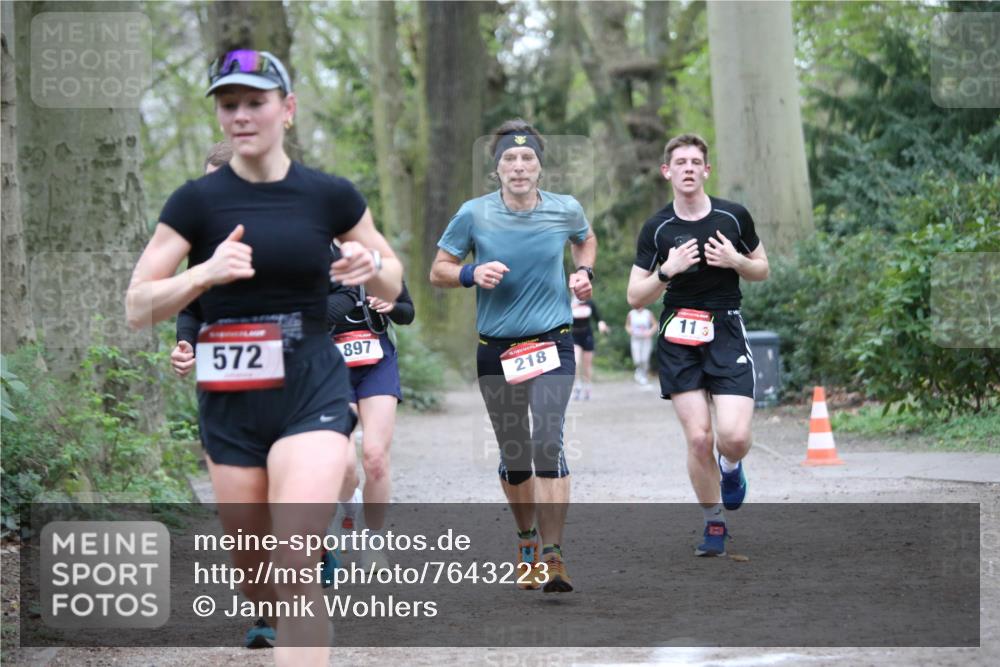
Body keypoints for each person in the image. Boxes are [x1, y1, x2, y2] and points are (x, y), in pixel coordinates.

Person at [125, 49, 402, 665]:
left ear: (288, 109)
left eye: (256, 101)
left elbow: (393, 280)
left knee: (296, 561)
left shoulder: (329, 196)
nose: (242, 114)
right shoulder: (194, 203)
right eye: (230, 104)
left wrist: (373, 267)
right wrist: (203, 275)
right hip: (230, 404)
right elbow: (139, 305)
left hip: (312, 392)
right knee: (258, 571)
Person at [429, 119, 597, 593]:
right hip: (496, 349)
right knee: (515, 453)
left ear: (540, 167)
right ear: (497, 168)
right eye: (509, 159)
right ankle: (525, 540)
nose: (518, 166)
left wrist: (584, 272)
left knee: (548, 442)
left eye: (527, 159)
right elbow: (438, 269)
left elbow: (585, 238)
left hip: (552, 343)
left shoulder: (564, 209)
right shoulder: (473, 214)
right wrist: (471, 274)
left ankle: (554, 554)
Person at [626, 133, 768, 557]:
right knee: (699, 439)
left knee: (734, 437)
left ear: (706, 170)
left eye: (695, 162)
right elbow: (635, 296)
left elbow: (762, 269)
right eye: (680, 162)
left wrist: (737, 262)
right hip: (678, 335)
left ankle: (731, 468)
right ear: (667, 171)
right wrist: (667, 271)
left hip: (725, 329)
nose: (688, 168)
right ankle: (714, 523)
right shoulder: (658, 228)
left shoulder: (733, 217)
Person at [327, 253, 415, 568]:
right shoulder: (309, 252)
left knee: (376, 458)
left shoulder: (375, 258)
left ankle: (374, 541)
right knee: (344, 461)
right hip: (332, 365)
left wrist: (391, 307)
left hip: (377, 362)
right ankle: (348, 506)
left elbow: (408, 312)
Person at [570, 296, 609, 400]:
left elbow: (598, 318)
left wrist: (601, 324)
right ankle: (577, 386)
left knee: (587, 365)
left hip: (587, 335)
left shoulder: (589, 302)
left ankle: (587, 386)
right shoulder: (569, 302)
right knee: (576, 362)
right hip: (575, 335)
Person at [625, 305, 657, 386]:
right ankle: (638, 371)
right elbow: (627, 326)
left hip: (646, 339)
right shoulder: (631, 314)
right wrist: (630, 331)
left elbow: (655, 325)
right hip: (636, 339)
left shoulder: (648, 313)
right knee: (637, 359)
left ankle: (644, 375)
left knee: (645, 359)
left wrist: (650, 332)